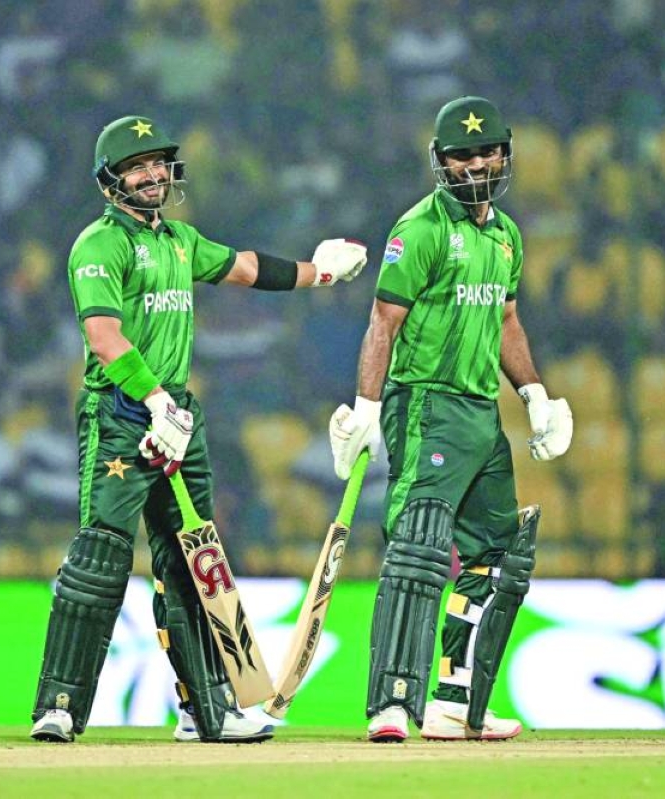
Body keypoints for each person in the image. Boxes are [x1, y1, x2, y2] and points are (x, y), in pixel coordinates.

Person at [30, 115, 368, 744]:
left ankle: (207, 712)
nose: (153, 173)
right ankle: (59, 706)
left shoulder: (179, 241)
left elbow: (242, 267)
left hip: (179, 415)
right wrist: (155, 401)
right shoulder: (96, 246)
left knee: (194, 563)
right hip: (121, 416)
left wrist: (318, 272)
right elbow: (105, 340)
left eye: (159, 162)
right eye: (138, 165)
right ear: (110, 181)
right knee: (101, 556)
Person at [328, 96, 573, 743]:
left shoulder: (507, 236)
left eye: (487, 151)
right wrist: (369, 409)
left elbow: (507, 320)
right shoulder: (421, 229)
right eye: (463, 154)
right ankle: (391, 701)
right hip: (426, 403)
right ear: (441, 162)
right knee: (418, 547)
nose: (477, 164)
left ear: (505, 154)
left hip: (479, 411)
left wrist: (535, 394)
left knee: (494, 558)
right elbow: (384, 321)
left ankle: (453, 700)